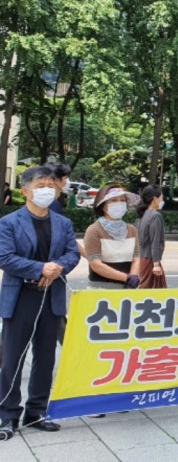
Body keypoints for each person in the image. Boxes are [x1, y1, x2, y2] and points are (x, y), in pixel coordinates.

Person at [0, 166, 81, 441]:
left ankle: (36, 412)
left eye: (51, 185)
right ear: (25, 191)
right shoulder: (9, 222)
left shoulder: (63, 223)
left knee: (46, 358)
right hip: (21, 295)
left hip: (51, 296)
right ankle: (7, 415)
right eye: (41, 184)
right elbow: (5, 257)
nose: (48, 189)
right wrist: (39, 269)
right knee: (13, 358)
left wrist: (57, 268)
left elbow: (72, 253)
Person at [135, 185, 167, 289]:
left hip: (141, 258)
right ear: (154, 198)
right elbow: (155, 242)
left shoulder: (141, 215)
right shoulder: (155, 216)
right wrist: (156, 264)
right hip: (150, 260)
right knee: (151, 291)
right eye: (161, 197)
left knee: (146, 288)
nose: (162, 200)